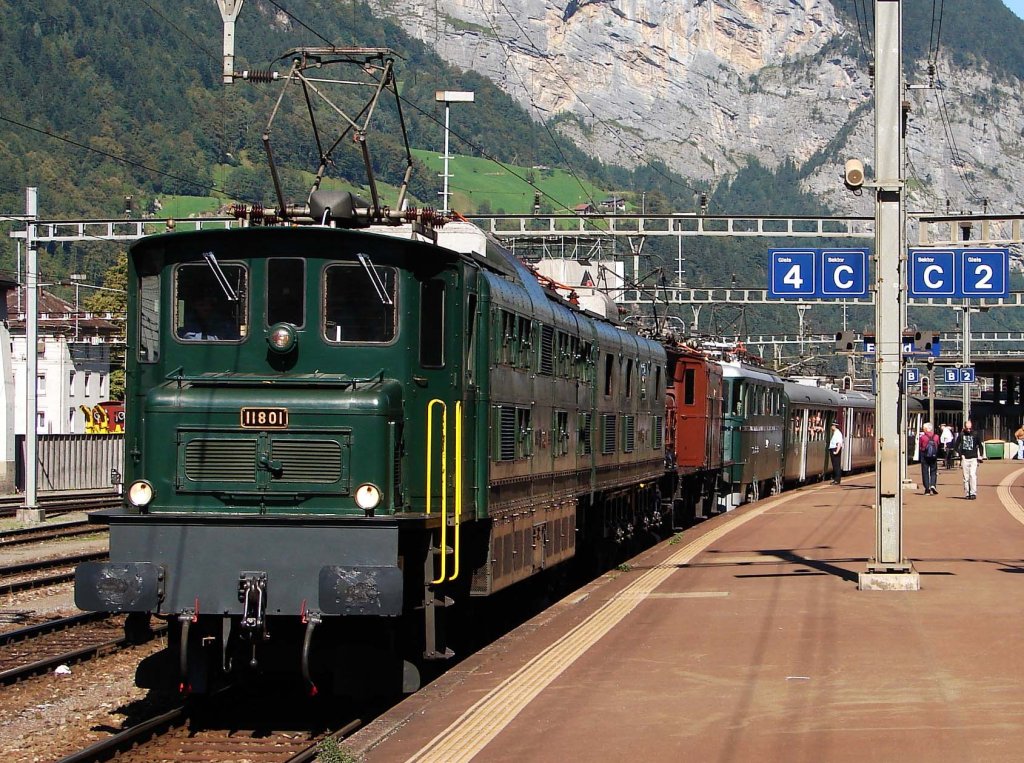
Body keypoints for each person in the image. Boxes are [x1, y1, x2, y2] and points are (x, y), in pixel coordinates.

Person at [953, 419, 985, 500]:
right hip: (965, 458)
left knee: (972, 475)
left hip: (973, 458)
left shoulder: (975, 434)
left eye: (970, 428)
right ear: (964, 427)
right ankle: (967, 493)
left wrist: (980, 455)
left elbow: (980, 445)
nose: (968, 430)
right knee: (966, 477)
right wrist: (961, 454)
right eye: (967, 428)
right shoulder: (961, 435)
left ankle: (973, 493)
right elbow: (956, 446)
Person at [918, 422, 939, 495]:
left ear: (926, 429)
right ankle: (933, 484)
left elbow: (920, 446)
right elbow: (937, 445)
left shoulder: (922, 437)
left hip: (925, 455)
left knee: (925, 472)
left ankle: (927, 489)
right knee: (933, 471)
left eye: (924, 428)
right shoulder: (936, 436)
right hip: (934, 456)